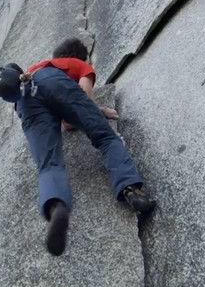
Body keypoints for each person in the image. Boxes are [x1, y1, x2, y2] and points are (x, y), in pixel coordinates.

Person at [9, 38, 156, 256]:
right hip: (56, 84)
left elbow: (62, 122)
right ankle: (130, 189)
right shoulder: (78, 65)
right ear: (79, 57)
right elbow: (82, 93)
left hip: (26, 98)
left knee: (48, 165)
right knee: (105, 138)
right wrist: (95, 111)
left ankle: (56, 205)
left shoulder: (37, 67)